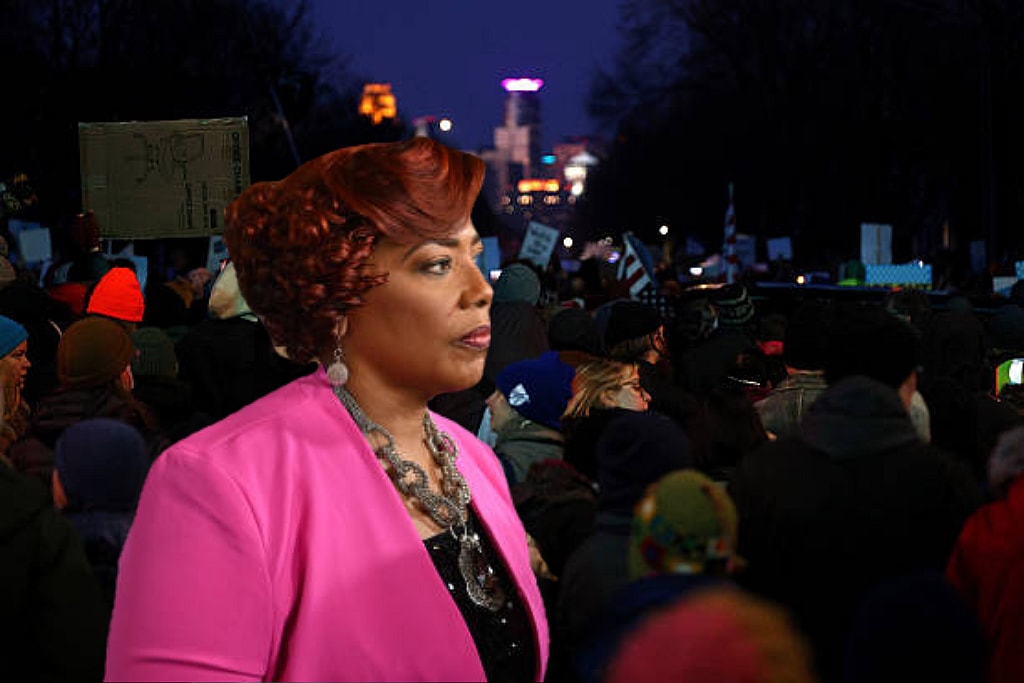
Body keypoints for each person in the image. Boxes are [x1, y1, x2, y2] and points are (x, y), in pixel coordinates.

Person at [105, 138, 548, 681]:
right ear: (337, 298)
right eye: (437, 264)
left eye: (473, 258)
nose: (480, 291)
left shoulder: (475, 460)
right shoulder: (218, 484)